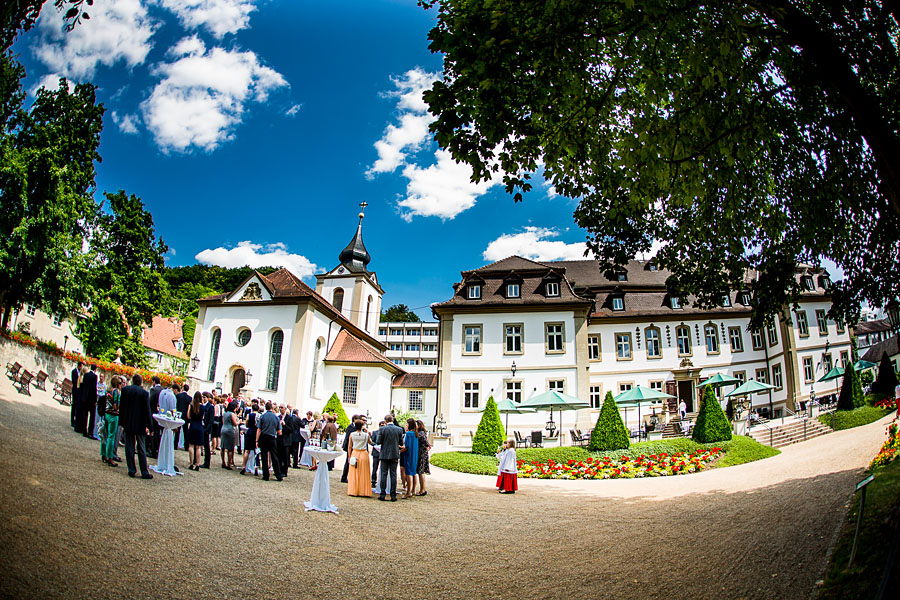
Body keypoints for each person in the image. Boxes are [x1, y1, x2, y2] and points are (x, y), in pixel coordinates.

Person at [118, 373, 153, 479]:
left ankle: (131, 469)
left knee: (129, 446)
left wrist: (121, 421)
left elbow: (122, 407)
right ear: (141, 382)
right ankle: (144, 471)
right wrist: (150, 426)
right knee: (141, 447)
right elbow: (147, 410)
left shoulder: (125, 390)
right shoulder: (144, 393)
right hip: (140, 423)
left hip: (128, 421)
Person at [377, 414, 404, 501]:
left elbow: (378, 441)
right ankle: (393, 495)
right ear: (392, 420)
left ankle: (382, 494)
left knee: (384, 474)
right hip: (394, 454)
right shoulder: (399, 429)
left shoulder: (382, 429)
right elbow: (401, 443)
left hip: (384, 454)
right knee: (393, 474)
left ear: (385, 421)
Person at [256, 401, 282, 481]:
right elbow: (279, 432)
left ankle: (266, 475)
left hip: (264, 436)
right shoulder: (276, 418)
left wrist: (257, 440)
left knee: (264, 456)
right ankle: (278, 475)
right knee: (274, 456)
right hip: (272, 437)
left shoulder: (263, 416)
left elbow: (259, 429)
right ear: (272, 408)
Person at [347, 418, 372, 497]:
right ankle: (363, 490)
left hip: (355, 452)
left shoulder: (352, 434)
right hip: (364, 453)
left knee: (354, 472)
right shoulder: (366, 435)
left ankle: (354, 490)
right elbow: (370, 442)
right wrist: (368, 433)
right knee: (364, 472)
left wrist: (349, 456)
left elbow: (349, 446)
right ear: (362, 426)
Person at [101, 375, 121, 467]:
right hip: (113, 414)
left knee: (105, 435)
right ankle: (110, 457)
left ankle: (104, 454)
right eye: (120, 383)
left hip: (106, 413)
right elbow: (116, 405)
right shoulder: (116, 391)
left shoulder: (108, 390)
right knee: (111, 436)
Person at [77, 364, 98, 438]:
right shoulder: (94, 377)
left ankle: (84, 430)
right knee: (92, 416)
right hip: (91, 399)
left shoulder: (86, 375)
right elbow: (94, 388)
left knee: (85, 415)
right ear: (95, 369)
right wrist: (95, 399)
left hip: (85, 398)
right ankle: (90, 432)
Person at [400, 418, 419, 499]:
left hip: (408, 454)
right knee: (414, 472)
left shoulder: (409, 434)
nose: (405, 426)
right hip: (414, 454)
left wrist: (400, 451)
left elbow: (407, 447)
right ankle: (413, 490)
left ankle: (408, 492)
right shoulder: (415, 433)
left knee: (409, 473)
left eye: (406, 424)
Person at [185, 392, 204, 471]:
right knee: (198, 447)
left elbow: (188, 416)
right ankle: (198, 464)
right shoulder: (202, 407)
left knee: (191, 446)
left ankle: (191, 463)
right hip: (199, 427)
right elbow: (203, 417)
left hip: (192, 426)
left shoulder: (191, 405)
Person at [241, 402, 260, 475]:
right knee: (256, 451)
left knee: (247, 451)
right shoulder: (259, 416)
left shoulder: (249, 415)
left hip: (250, 432)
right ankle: (256, 468)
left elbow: (246, 424)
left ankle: (243, 466)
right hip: (256, 433)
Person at [340, 414, 359, 483]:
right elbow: (348, 437)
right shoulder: (351, 427)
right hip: (349, 446)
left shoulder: (353, 426)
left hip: (351, 446)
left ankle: (347, 476)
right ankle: (344, 477)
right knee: (348, 462)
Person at [219, 400, 239, 469]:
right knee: (230, 448)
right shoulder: (232, 414)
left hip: (223, 428)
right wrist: (238, 422)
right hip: (230, 430)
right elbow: (234, 423)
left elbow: (223, 421)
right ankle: (228, 464)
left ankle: (223, 462)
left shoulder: (224, 413)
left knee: (223, 447)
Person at [148, 376, 163, 458]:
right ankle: (157, 449)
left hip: (153, 413)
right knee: (158, 432)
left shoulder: (153, 390)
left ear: (154, 382)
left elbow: (150, 402)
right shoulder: (162, 390)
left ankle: (152, 450)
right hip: (160, 413)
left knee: (153, 432)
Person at [415, 419, 431, 496]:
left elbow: (426, 442)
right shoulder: (421, 433)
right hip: (421, 453)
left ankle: (422, 490)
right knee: (421, 472)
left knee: (421, 472)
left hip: (421, 453)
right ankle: (422, 489)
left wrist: (427, 446)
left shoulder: (420, 433)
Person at [174, 383, 191, 451]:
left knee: (177, 431)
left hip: (179, 414)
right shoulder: (189, 398)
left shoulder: (178, 396)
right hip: (185, 416)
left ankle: (175, 444)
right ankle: (186, 445)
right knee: (185, 431)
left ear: (183, 388)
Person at [370, 420, 385, 491]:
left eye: (383, 425)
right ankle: (373, 481)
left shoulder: (386, 433)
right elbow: (371, 441)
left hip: (383, 453)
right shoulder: (375, 432)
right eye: (381, 425)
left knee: (383, 469)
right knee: (374, 468)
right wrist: (376, 445)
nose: (382, 426)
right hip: (376, 452)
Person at [201, 393, 214, 468]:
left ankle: (207, 462)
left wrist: (207, 429)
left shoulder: (210, 407)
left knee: (206, 446)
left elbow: (211, 420)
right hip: (202, 426)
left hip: (206, 428)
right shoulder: (203, 405)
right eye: (203, 397)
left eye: (205, 397)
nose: (203, 398)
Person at [70, 361, 82, 429]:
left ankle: (75, 420)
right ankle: (72, 420)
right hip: (75, 390)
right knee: (74, 405)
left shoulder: (80, 373)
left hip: (78, 391)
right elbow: (73, 381)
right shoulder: (74, 371)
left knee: (77, 406)